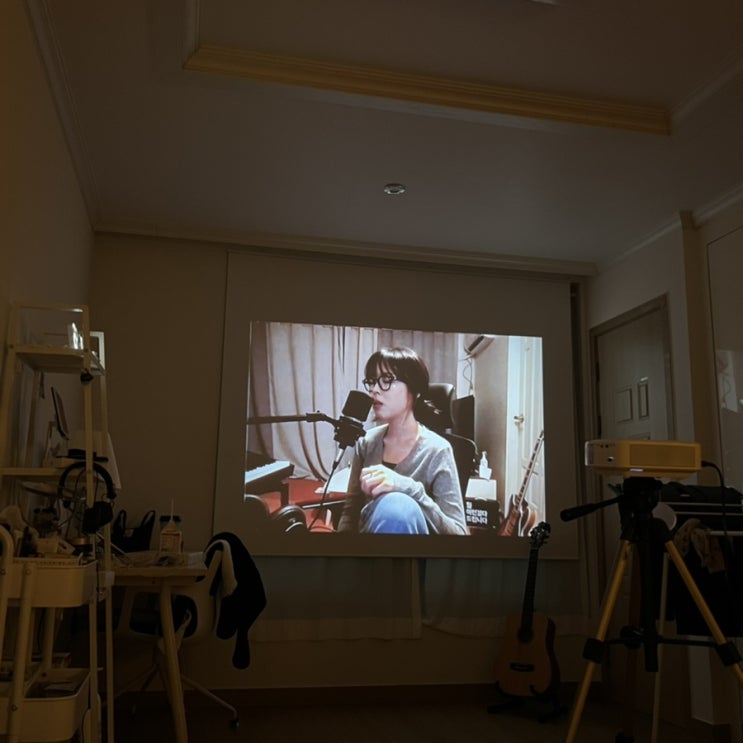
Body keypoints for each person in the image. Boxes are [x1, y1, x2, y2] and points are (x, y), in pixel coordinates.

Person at [337, 347, 468, 535]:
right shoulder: (366, 442)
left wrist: (406, 488)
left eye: (386, 380)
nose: (374, 390)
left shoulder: (438, 450)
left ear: (415, 390)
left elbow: (458, 533)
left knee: (397, 506)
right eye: (371, 382)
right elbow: (350, 513)